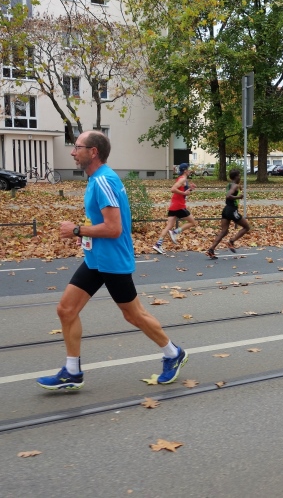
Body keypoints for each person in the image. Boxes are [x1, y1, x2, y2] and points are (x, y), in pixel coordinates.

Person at [37, 131, 188, 390]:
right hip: (96, 258)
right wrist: (86, 234)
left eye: (77, 147)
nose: (73, 152)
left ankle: (173, 353)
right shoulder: (96, 179)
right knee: (66, 310)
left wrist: (77, 230)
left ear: (93, 152)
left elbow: (114, 228)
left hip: (112, 260)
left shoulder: (103, 181)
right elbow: (101, 221)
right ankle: (72, 372)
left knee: (134, 315)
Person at [152, 163, 198, 254]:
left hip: (173, 205)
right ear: (185, 170)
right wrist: (184, 193)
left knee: (169, 226)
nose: (190, 170)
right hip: (179, 206)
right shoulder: (182, 179)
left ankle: (158, 245)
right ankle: (175, 232)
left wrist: (190, 189)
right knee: (193, 222)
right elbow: (173, 189)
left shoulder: (182, 179)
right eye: (188, 169)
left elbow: (182, 191)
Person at [205, 169, 250, 259]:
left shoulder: (230, 184)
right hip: (232, 210)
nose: (240, 177)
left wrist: (239, 188)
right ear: (236, 177)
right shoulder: (235, 186)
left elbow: (233, 189)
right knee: (246, 227)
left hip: (226, 210)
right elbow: (228, 195)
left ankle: (211, 249)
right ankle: (231, 241)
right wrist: (239, 197)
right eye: (239, 175)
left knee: (224, 231)